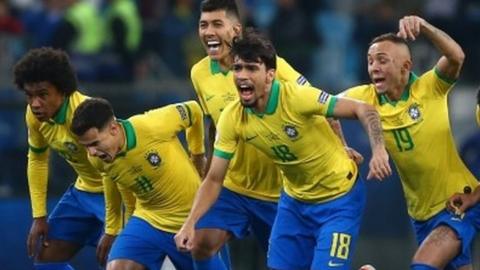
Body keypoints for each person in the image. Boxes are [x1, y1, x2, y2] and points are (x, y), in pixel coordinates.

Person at [175, 28, 392, 270]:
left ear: (270, 75)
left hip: (338, 201)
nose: (242, 76)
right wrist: (190, 222)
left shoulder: (297, 98)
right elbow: (214, 179)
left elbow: (364, 109)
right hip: (294, 204)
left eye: (251, 68)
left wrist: (379, 150)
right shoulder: (232, 118)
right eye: (237, 68)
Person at [341, 16, 480, 270]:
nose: (374, 68)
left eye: (382, 60)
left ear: (406, 66)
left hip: (458, 201)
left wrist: (424, 27)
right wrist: (342, 146)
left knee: (423, 265)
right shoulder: (364, 98)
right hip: (420, 214)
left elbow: (456, 56)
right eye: (370, 61)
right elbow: (321, 107)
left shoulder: (430, 86)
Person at [71, 98, 206, 270]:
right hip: (149, 220)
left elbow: (193, 110)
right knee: (118, 267)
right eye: (86, 147)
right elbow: (114, 181)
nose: (91, 152)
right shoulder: (97, 159)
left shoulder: (151, 126)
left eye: (95, 143)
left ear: (113, 129)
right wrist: (112, 229)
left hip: (193, 219)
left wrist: (198, 157)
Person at [13, 47, 112, 270]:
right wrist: (39, 216)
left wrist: (114, 227)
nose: (35, 103)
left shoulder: (89, 115)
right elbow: (37, 160)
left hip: (117, 193)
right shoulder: (34, 116)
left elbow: (118, 169)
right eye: (29, 95)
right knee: (46, 260)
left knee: (121, 262)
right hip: (83, 193)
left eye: (42, 94)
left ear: (63, 90)